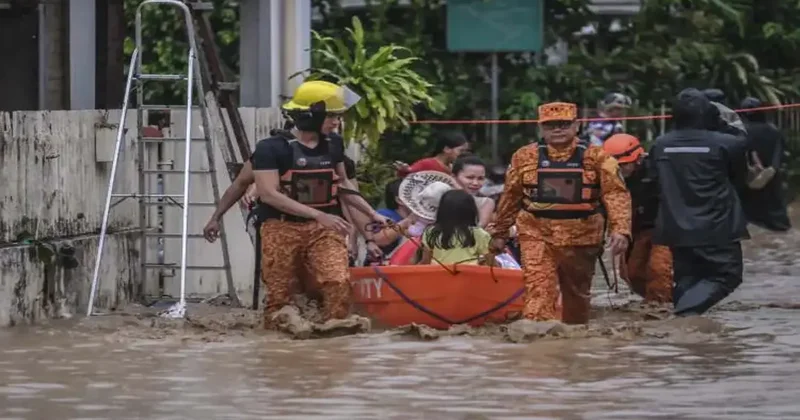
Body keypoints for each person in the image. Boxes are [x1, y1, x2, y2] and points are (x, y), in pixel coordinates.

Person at [250, 80, 387, 327]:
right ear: (310, 116)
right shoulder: (271, 148)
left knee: (338, 281)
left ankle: (334, 334)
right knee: (280, 295)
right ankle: (283, 338)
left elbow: (342, 184)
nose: (336, 122)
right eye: (331, 116)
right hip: (281, 227)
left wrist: (371, 213)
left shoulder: (334, 144)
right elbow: (268, 194)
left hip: (325, 227)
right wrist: (317, 214)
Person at [489, 101, 632, 324]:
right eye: (550, 125)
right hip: (536, 233)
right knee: (538, 288)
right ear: (541, 127)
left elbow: (615, 193)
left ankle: (573, 338)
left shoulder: (598, 157)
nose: (557, 129)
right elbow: (510, 196)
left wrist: (620, 229)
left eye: (564, 124)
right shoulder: (524, 156)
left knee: (577, 294)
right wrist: (499, 232)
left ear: (576, 125)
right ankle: (538, 338)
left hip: (582, 236)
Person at [648, 88, 749, 316]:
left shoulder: (660, 144)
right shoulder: (727, 143)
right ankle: (684, 318)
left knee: (688, 277)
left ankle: (686, 333)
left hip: (675, 225)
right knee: (726, 275)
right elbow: (740, 176)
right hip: (717, 226)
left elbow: (653, 180)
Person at [603, 133, 672, 303]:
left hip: (663, 227)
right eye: (615, 166)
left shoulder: (660, 170)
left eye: (624, 165)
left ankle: (661, 306)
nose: (619, 170)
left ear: (638, 159)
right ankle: (654, 301)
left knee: (659, 270)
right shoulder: (606, 176)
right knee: (630, 273)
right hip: (635, 229)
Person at [737, 97, 792, 232]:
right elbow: (780, 152)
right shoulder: (774, 130)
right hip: (771, 175)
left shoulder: (739, 131)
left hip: (746, 176)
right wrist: (772, 169)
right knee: (774, 205)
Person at [420, 189, 491, 265]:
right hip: (468, 272)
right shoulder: (480, 234)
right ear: (471, 210)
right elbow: (491, 263)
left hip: (438, 271)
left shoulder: (430, 232)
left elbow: (426, 261)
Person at [394, 130, 469, 176]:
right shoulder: (427, 163)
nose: (464, 154)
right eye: (461, 150)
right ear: (447, 149)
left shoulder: (452, 167)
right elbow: (408, 174)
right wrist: (404, 170)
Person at [452, 154, 495, 227]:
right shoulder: (440, 194)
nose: (475, 183)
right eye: (470, 177)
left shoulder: (486, 203)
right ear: (454, 177)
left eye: (480, 178)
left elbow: (478, 228)